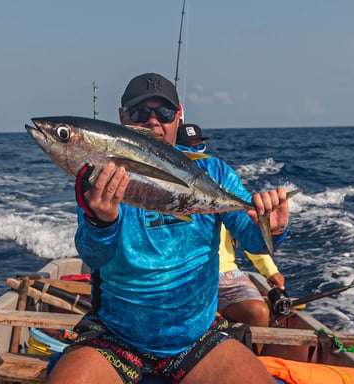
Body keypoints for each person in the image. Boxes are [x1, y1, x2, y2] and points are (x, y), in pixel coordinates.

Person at [46, 72, 290, 384]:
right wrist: (101, 221)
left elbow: (253, 239)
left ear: (179, 116)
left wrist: (274, 226)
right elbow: (93, 255)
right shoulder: (96, 181)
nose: (152, 121)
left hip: (195, 339)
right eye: (138, 113)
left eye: (163, 113)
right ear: (122, 117)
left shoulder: (212, 172)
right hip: (116, 336)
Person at [175, 124, 286, 328]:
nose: (193, 153)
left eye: (198, 148)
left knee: (260, 312)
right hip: (180, 275)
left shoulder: (217, 180)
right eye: (185, 148)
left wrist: (270, 270)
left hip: (225, 274)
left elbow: (246, 233)